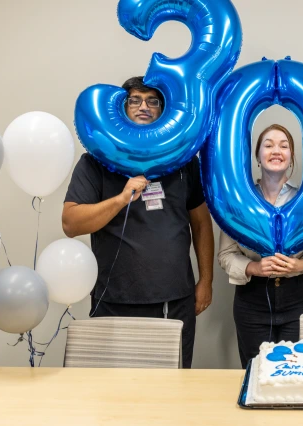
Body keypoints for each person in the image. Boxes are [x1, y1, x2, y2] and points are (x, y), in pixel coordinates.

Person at [62, 76, 214, 368]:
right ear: (121, 108)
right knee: (114, 395)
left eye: (152, 101)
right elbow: (71, 223)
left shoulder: (184, 160)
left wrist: (205, 280)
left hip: (174, 300)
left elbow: (201, 223)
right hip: (114, 299)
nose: (144, 106)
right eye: (134, 100)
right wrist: (121, 198)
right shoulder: (94, 161)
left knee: (173, 389)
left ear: (162, 110)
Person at [218, 124, 303, 368]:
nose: (276, 151)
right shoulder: (238, 202)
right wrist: (254, 268)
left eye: (284, 145)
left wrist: (299, 264)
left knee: (296, 372)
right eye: (268, 145)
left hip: (298, 298)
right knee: (255, 371)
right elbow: (226, 255)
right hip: (251, 301)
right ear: (257, 156)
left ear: (291, 157)